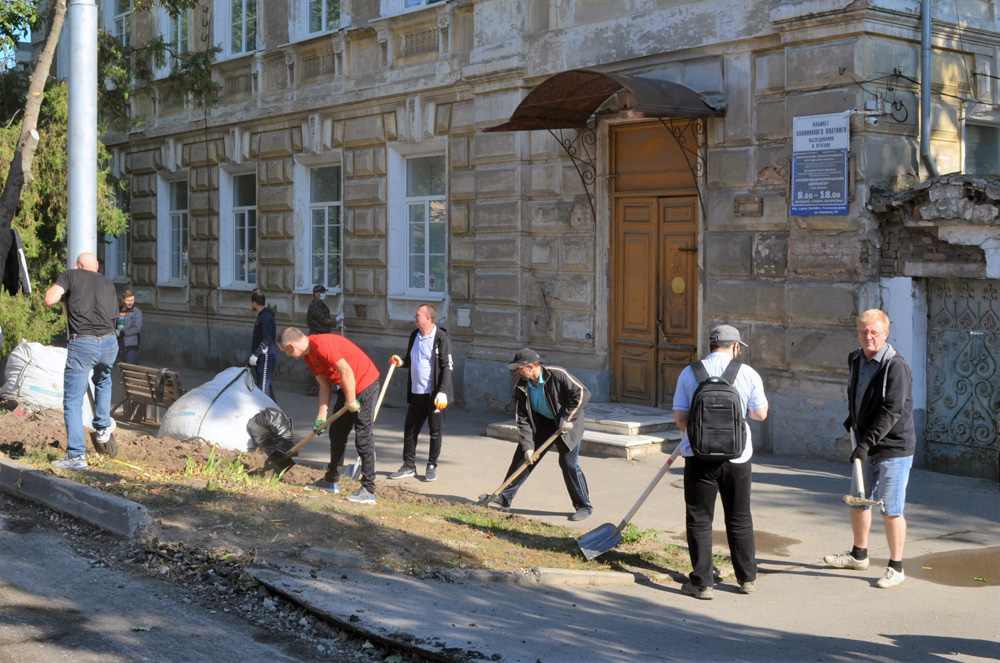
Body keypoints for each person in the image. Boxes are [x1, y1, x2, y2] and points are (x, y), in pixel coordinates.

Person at [672, 325, 768, 600]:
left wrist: (696, 435)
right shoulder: (747, 373)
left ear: (712, 345)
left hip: (699, 456)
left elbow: (680, 416)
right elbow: (760, 414)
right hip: (738, 456)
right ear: (735, 346)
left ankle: (702, 583)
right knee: (739, 518)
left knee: (700, 519)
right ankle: (746, 578)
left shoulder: (690, 372)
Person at [824, 309, 915, 589]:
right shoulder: (855, 358)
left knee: (891, 509)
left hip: (893, 448)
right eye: (864, 332)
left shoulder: (895, 366)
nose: (869, 337)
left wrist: (865, 443)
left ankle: (896, 566)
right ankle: (858, 555)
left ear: (885, 334)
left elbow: (892, 410)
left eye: (874, 332)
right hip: (864, 445)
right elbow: (857, 393)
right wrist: (853, 420)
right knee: (859, 501)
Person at [480, 348, 593, 521]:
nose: (517, 372)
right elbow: (522, 419)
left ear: (531, 367)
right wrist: (528, 447)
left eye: (520, 368)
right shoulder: (521, 386)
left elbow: (582, 393)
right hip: (543, 424)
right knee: (523, 457)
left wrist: (567, 417)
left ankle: (584, 505)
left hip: (568, 424)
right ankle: (504, 497)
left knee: (568, 464)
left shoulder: (557, 374)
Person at [277, 327, 381, 504]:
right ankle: (331, 480)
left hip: (365, 383)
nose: (287, 355)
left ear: (292, 346)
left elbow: (346, 371)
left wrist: (351, 401)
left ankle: (368, 489)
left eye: (285, 351)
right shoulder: (308, 356)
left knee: (363, 437)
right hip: (348, 386)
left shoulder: (322, 345)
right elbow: (325, 386)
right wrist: (321, 417)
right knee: (337, 433)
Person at [44, 252, 120, 470]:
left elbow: (50, 299)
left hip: (83, 343)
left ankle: (76, 456)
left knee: (73, 401)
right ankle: (104, 427)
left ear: (78, 265)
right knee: (103, 380)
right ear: (96, 266)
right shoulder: (107, 283)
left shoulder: (71, 275)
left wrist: (65, 292)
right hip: (109, 343)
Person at [388, 304, 454, 483]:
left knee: (435, 431)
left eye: (418, 315)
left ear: (428, 318)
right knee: (410, 429)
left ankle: (431, 466)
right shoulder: (414, 336)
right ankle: (409, 466)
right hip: (417, 392)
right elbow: (410, 359)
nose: (415, 317)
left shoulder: (441, 338)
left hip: (435, 394)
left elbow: (447, 367)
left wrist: (442, 392)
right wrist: (400, 362)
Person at [249, 290, 278, 400]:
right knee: (266, 388)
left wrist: (256, 354)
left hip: (266, 357)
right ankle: (276, 414)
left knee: (262, 390)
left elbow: (267, 338)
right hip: (262, 357)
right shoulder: (262, 316)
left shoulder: (265, 317)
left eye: (251, 303)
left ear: (254, 303)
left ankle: (265, 416)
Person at [116, 289, 143, 364]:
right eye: (128, 300)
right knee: (121, 371)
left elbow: (137, 328)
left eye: (132, 300)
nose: (130, 303)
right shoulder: (118, 311)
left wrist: (124, 333)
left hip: (131, 347)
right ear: (123, 300)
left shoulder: (136, 311)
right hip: (118, 346)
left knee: (132, 371)